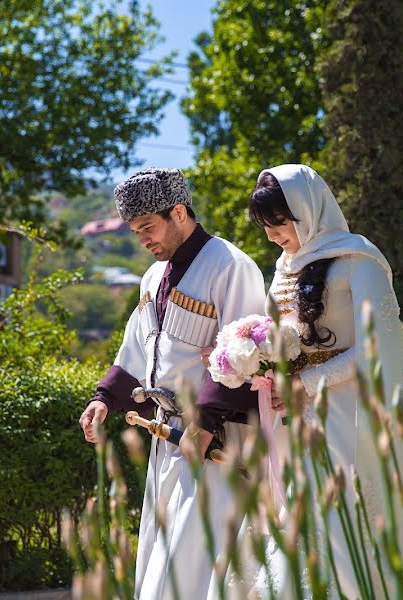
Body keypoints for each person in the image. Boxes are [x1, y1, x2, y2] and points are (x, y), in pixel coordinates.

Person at [213, 164, 403, 599]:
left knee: (353, 516)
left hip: (356, 416)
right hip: (300, 419)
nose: (272, 236)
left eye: (279, 223)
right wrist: (261, 363)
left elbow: (379, 348)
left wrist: (309, 381)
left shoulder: (361, 261)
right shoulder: (283, 268)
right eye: (265, 227)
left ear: (307, 209)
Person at [77, 167, 266, 599]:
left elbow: (245, 357)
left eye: (148, 227)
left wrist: (204, 425)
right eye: (135, 231)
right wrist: (104, 398)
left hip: (215, 442)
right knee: (164, 561)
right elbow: (136, 351)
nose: (142, 239)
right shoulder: (151, 277)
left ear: (179, 212)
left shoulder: (231, 266)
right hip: (168, 440)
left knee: (199, 560)